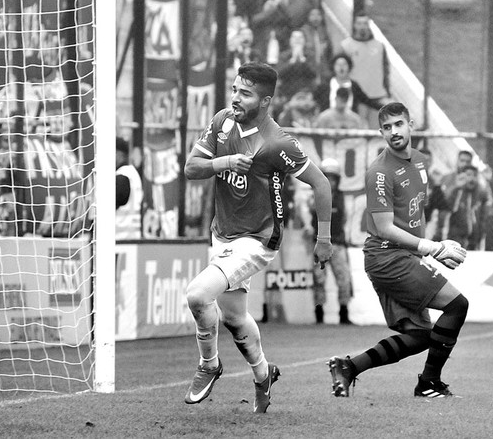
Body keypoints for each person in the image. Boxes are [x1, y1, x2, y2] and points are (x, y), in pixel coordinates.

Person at [183, 62, 333, 413]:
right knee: (234, 317)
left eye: (245, 94)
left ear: (265, 101)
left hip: (259, 237)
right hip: (223, 234)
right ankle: (264, 375)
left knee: (197, 295)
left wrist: (323, 238)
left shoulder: (278, 142)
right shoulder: (221, 122)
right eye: (235, 89)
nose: (235, 98)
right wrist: (225, 162)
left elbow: (321, 184)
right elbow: (191, 168)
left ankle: (209, 364)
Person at [327, 102, 469, 398]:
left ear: (410, 124)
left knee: (419, 337)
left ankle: (349, 367)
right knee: (457, 305)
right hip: (387, 257)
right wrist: (432, 248)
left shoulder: (418, 162)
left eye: (399, 124)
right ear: (381, 132)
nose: (394, 132)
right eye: (388, 127)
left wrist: (431, 246)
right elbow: (385, 227)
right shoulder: (379, 172)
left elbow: (415, 214)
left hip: (403, 256)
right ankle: (429, 382)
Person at [303, 158, 354, 324]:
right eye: (327, 177)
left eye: (333, 178)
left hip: (338, 244)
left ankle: (344, 314)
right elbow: (306, 214)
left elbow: (345, 218)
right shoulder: (314, 196)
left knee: (344, 279)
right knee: (319, 279)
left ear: (337, 179)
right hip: (319, 245)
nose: (330, 181)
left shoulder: (341, 198)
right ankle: (319, 315)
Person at [339, 12, 390, 124]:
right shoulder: (346, 46)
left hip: (377, 96)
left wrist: (387, 91)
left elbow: (386, 70)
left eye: (365, 23)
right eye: (359, 23)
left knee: (378, 131)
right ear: (354, 25)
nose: (362, 26)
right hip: (358, 97)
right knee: (359, 129)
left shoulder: (379, 46)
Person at [313, 53, 384, 114]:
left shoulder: (354, 86)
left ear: (349, 67)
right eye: (338, 64)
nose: (341, 67)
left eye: (344, 64)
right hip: (328, 123)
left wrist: (387, 108)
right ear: (333, 67)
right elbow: (313, 100)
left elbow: (367, 101)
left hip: (349, 124)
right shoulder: (325, 85)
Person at [446, 165, 489, 250]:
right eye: (469, 175)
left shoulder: (481, 194)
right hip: (456, 240)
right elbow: (450, 209)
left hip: (475, 241)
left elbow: (484, 217)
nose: (471, 178)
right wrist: (457, 188)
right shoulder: (456, 192)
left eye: (474, 175)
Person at [116, 136, 143, 239]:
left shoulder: (121, 177)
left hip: (119, 239)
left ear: (118, 155)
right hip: (133, 237)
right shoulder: (133, 173)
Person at [299, 7, 333, 85]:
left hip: (324, 71)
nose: (315, 18)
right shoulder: (303, 31)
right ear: (308, 16)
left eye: (318, 15)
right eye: (312, 15)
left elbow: (330, 52)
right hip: (308, 71)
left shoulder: (324, 32)